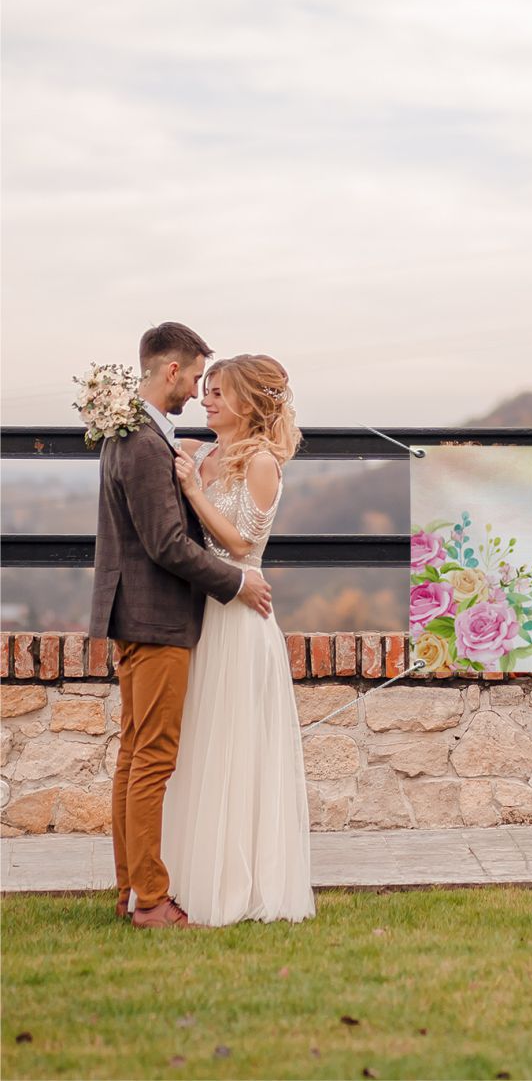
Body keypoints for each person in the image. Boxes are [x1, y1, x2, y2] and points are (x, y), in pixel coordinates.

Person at [90, 322, 273, 930]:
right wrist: (237, 581)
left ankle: (129, 888)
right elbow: (167, 544)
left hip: (135, 614)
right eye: (198, 378)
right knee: (153, 759)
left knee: (134, 754)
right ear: (172, 371)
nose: (199, 392)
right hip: (157, 617)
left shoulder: (135, 433)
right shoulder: (144, 442)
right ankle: (150, 899)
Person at [161, 353, 315, 926]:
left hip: (241, 618)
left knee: (237, 745)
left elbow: (242, 546)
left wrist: (194, 491)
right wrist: (191, 469)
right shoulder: (205, 454)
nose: (207, 400)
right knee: (202, 743)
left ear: (249, 403)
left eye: (220, 393)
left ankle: (238, 883)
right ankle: (188, 874)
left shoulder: (262, 463)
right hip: (203, 609)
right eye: (208, 391)